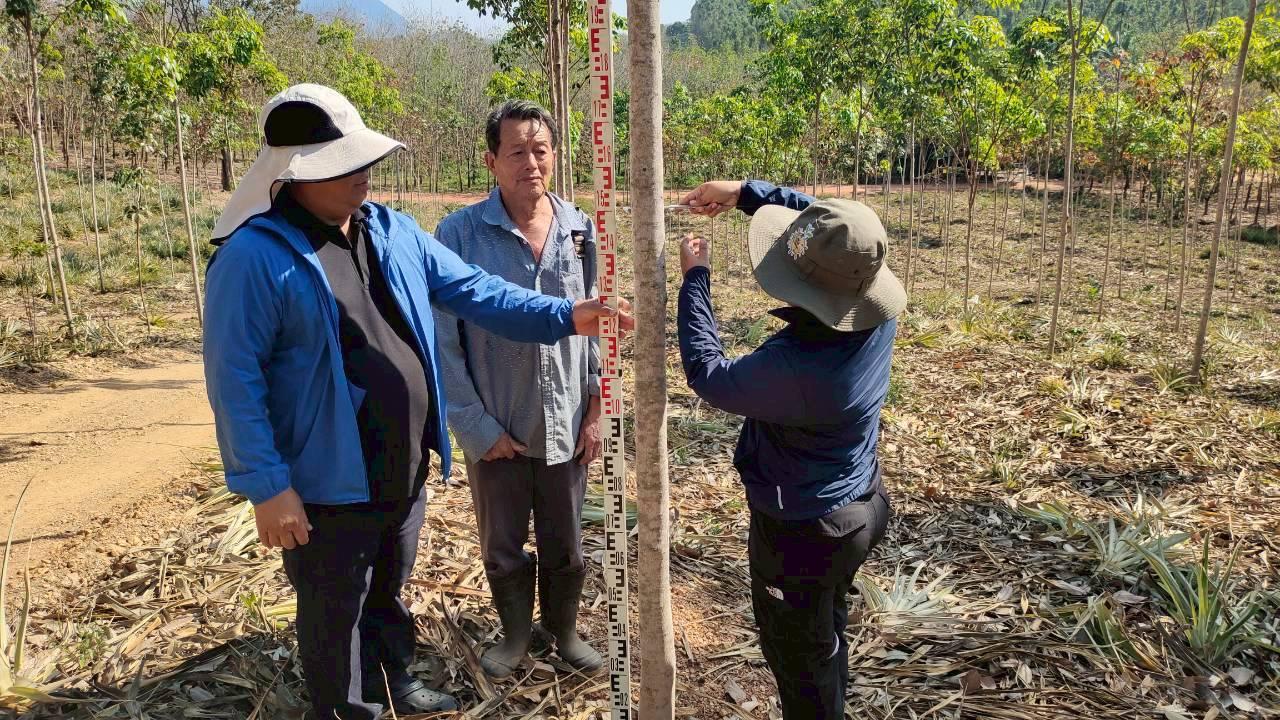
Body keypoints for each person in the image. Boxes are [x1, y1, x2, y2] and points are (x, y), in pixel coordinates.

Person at [202, 84, 630, 720]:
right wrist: (267, 485)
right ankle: (346, 708)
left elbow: (483, 294)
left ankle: (394, 680)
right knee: (332, 605)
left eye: (362, 160)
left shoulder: (392, 231)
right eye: (342, 165)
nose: (362, 174)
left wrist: (568, 315)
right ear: (296, 175)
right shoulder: (253, 258)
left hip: (401, 464)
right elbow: (234, 380)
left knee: (387, 586)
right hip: (324, 479)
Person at [676, 179, 903, 719]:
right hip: (860, 504)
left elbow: (709, 374)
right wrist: (743, 194)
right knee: (826, 631)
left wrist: (695, 281)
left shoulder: (802, 368)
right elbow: (833, 230)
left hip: (805, 533)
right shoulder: (871, 298)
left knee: (797, 657)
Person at [432, 100, 602, 679]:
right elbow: (443, 341)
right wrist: (476, 427)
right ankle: (512, 636)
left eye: (541, 150)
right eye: (517, 152)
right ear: (491, 161)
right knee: (503, 544)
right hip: (498, 424)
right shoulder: (459, 234)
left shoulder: (580, 229)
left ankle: (564, 630)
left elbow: (596, 325)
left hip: (565, 420)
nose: (532, 162)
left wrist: (596, 409)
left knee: (567, 541)